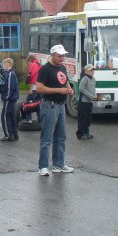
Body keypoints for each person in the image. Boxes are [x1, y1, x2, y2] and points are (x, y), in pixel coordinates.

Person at [36, 44, 75, 176]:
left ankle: (59, 164)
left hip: (61, 105)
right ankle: (43, 167)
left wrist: (70, 89)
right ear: (52, 55)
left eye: (63, 56)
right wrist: (58, 90)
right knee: (47, 137)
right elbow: (39, 88)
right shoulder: (45, 69)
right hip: (49, 105)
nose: (62, 58)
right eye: (59, 56)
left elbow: (65, 81)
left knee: (61, 136)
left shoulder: (62, 67)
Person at [0, 58, 19, 142]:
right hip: (12, 98)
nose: (3, 66)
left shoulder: (10, 74)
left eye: (3, 65)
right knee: (11, 116)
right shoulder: (9, 73)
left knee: (4, 116)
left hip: (9, 99)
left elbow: (10, 87)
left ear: (8, 64)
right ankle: (14, 134)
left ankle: (8, 135)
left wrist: (6, 97)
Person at [76, 64, 96, 140]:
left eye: (93, 70)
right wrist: (90, 96)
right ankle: (80, 134)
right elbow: (81, 88)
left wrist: (94, 95)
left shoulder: (93, 79)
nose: (92, 71)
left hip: (89, 102)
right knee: (82, 119)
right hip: (83, 102)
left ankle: (86, 133)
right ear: (86, 71)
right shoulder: (84, 78)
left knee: (88, 118)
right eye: (90, 70)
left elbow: (94, 88)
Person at [22, 54, 41, 124]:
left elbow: (32, 78)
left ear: (30, 60)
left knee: (28, 104)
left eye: (28, 62)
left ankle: (29, 119)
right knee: (38, 103)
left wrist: (31, 88)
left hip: (34, 88)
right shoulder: (39, 65)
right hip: (40, 88)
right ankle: (40, 119)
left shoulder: (33, 65)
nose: (28, 64)